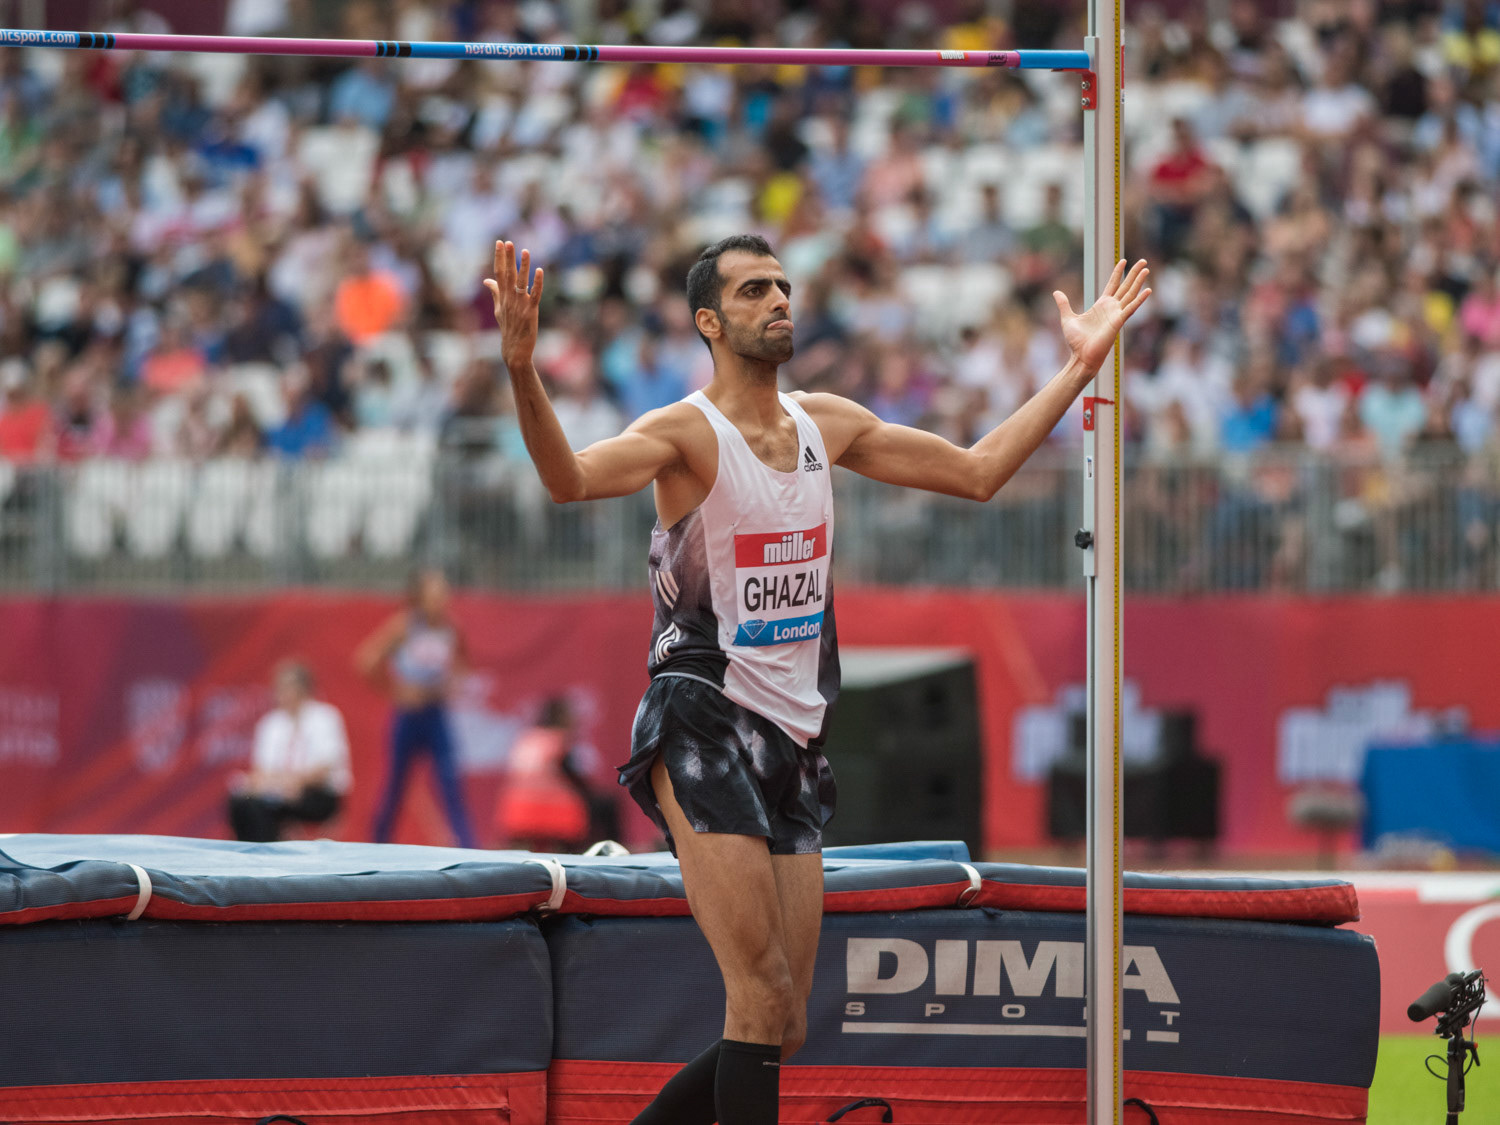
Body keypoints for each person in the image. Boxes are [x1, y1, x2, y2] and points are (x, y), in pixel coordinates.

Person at [484, 235, 1150, 1125]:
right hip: (702, 718)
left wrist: (1078, 369)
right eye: (755, 290)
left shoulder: (824, 423)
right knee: (756, 993)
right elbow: (567, 481)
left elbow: (979, 472)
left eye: (784, 286)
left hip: (793, 735)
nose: (780, 301)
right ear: (710, 322)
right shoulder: (684, 434)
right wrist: (524, 372)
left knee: (783, 1019)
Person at [357, 567, 477, 848]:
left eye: (444, 593)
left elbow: (464, 666)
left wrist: (450, 684)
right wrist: (396, 691)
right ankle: (377, 845)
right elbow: (366, 660)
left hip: (436, 715)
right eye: (435, 594)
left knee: (451, 784)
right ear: (420, 598)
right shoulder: (405, 625)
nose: (442, 600)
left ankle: (469, 848)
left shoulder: (451, 627)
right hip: (408, 718)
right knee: (395, 787)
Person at [228, 661, 351, 843]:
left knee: (261, 807)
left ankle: (268, 860)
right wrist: (269, 783)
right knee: (240, 803)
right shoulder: (270, 723)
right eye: (279, 687)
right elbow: (262, 768)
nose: (281, 693)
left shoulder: (325, 717)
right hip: (279, 792)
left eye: (288, 687)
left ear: (304, 688)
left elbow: (326, 767)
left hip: (316, 794)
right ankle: (251, 859)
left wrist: (297, 782)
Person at [492, 695, 594, 852]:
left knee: (521, 851)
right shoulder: (560, 740)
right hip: (553, 810)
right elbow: (574, 776)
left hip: (515, 807)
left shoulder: (527, 736)